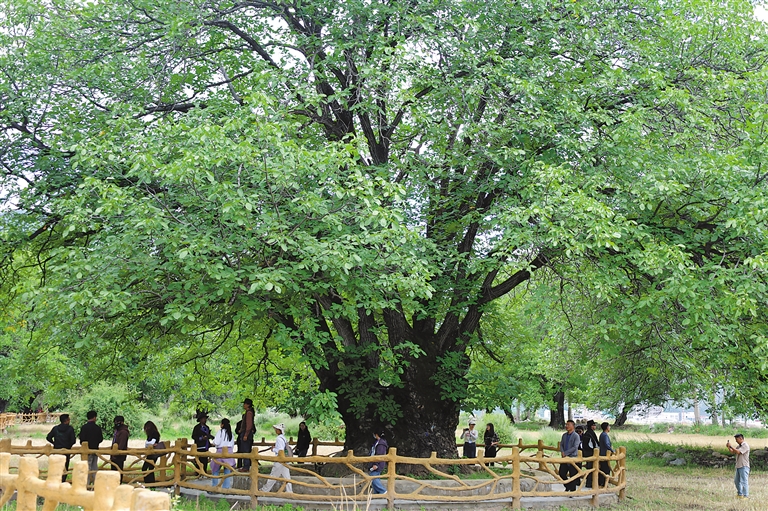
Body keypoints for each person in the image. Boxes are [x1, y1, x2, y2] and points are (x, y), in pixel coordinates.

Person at [260, 423, 293, 493]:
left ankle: (265, 490)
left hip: (279, 459)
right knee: (287, 477)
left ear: (279, 430)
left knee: (273, 476)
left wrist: (273, 449)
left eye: (277, 429)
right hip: (285, 459)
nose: (275, 430)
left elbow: (280, 450)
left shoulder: (279, 439)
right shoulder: (283, 438)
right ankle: (289, 491)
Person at [46, 413, 76, 482]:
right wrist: (69, 445)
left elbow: (48, 437)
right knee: (65, 467)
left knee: (57, 466)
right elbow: (73, 441)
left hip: (57, 450)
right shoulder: (70, 429)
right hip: (66, 451)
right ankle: (63, 481)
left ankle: (56, 481)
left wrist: (54, 443)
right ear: (67, 420)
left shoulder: (55, 428)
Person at [78, 410, 104, 486]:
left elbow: (82, 439)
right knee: (94, 466)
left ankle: (86, 484)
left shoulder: (84, 427)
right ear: (94, 417)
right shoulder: (97, 428)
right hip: (95, 450)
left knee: (87, 467)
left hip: (86, 451)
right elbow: (100, 439)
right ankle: (96, 484)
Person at [210, 418, 236, 490]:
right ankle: (226, 488)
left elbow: (217, 442)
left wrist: (213, 442)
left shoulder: (220, 432)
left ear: (222, 424)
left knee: (215, 470)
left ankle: (215, 487)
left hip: (220, 452)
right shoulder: (231, 434)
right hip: (229, 452)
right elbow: (232, 444)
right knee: (227, 471)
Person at [559, 420, 581, 492]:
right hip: (564, 458)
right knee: (561, 473)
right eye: (566, 424)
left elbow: (575, 447)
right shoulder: (564, 435)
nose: (566, 426)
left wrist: (566, 453)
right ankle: (568, 486)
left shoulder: (576, 436)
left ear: (573, 426)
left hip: (572, 457)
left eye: (568, 425)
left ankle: (572, 490)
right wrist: (562, 452)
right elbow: (561, 444)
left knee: (573, 475)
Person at [727, 433, 750, 499]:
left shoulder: (745, 445)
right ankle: (740, 494)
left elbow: (738, 452)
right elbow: (733, 451)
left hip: (744, 466)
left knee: (744, 481)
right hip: (738, 466)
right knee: (736, 481)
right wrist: (729, 447)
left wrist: (731, 446)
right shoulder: (739, 446)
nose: (736, 441)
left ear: (741, 438)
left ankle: (746, 495)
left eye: (737, 439)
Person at [110, 416, 130, 482]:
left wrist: (117, 452)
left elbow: (121, 444)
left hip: (119, 456)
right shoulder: (117, 431)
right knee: (113, 473)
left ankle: (118, 485)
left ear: (122, 422)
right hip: (114, 455)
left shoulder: (124, 432)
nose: (116, 423)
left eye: (117, 422)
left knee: (118, 473)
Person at [368, 430, 388, 495]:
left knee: (373, 476)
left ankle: (383, 490)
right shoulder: (378, 442)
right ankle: (377, 492)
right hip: (375, 462)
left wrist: (376, 464)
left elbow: (379, 455)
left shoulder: (381, 444)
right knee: (375, 477)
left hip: (378, 463)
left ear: (376, 435)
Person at [238, 398, 255, 471]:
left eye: (244, 404)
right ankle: (246, 465)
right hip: (246, 432)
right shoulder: (249, 412)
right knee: (246, 449)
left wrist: (246, 434)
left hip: (246, 433)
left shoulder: (249, 413)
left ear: (248, 405)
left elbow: (249, 425)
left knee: (246, 450)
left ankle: (246, 466)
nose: (243, 405)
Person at [582, 420, 600, 488]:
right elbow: (593, 444)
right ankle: (589, 483)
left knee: (589, 468)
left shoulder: (588, 433)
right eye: (594, 425)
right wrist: (596, 449)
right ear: (591, 426)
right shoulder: (590, 433)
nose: (595, 426)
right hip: (591, 453)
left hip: (587, 453)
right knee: (591, 468)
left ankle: (589, 482)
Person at [598, 422, 615, 488]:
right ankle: (603, 484)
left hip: (602, 453)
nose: (610, 427)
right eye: (609, 426)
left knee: (603, 469)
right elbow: (606, 444)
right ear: (607, 428)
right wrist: (612, 450)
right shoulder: (605, 435)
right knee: (606, 469)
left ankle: (602, 483)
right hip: (604, 454)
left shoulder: (602, 434)